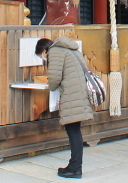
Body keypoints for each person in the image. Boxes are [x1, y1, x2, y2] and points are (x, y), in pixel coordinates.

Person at [40, 36, 94, 179]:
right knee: (74, 131)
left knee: (73, 132)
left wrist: (50, 86)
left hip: (72, 94)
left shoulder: (55, 51)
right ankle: (74, 166)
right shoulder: (70, 49)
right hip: (78, 92)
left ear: (43, 50)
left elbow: (55, 78)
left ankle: (75, 168)